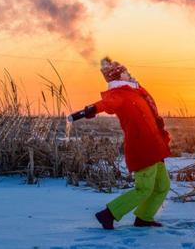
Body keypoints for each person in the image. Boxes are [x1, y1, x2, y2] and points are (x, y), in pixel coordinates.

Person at [69, 57, 171, 230]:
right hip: (142, 148)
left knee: (162, 186)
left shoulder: (136, 92)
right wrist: (90, 110)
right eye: (125, 72)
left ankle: (144, 218)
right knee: (144, 188)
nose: (129, 73)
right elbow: (106, 103)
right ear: (117, 77)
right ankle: (109, 214)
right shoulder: (119, 94)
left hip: (155, 146)